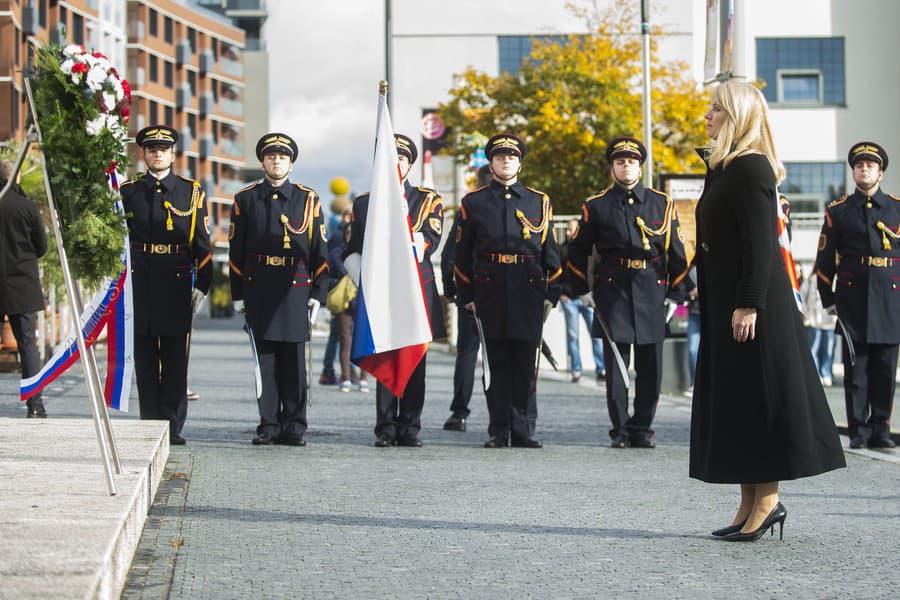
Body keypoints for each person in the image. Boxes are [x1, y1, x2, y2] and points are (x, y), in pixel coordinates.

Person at [690, 80, 845, 542]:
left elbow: (762, 245)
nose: (707, 117)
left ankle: (768, 503)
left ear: (736, 116)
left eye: (716, 110)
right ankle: (747, 504)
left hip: (752, 307)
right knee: (739, 403)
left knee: (761, 400)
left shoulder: (753, 168)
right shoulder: (724, 168)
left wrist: (748, 303)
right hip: (726, 304)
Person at [567, 136, 688, 449]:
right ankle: (620, 429)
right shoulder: (596, 206)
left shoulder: (662, 203)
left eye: (631, 162)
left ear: (640, 166)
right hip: (613, 289)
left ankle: (642, 428)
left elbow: (676, 251)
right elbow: (578, 250)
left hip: (652, 287)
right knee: (617, 367)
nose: (626, 167)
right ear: (612, 168)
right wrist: (582, 289)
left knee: (650, 367)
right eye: (620, 162)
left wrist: (677, 293)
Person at [454, 133, 562, 448]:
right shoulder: (473, 202)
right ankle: (499, 429)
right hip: (490, 290)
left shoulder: (537, 201)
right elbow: (463, 254)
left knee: (526, 364)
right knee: (497, 363)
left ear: (519, 162)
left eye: (511, 157)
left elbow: (550, 252)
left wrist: (551, 293)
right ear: (491, 162)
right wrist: (468, 296)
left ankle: (524, 428)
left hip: (527, 290)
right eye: (500, 157)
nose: (506, 161)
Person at [343, 134, 444, 447]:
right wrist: (366, 281)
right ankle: (385, 427)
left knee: (414, 362)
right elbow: (351, 250)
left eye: (401, 158)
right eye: (390, 157)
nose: (395, 163)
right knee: (386, 356)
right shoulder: (363, 203)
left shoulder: (428, 200)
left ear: (410, 163)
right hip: (382, 293)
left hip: (416, 290)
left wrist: (406, 232)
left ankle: (410, 426)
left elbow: (429, 241)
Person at [229, 132, 329, 446]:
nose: (276, 161)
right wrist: (237, 294)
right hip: (259, 289)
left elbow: (319, 251)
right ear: (262, 161)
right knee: (266, 363)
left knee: (294, 364)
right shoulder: (245, 199)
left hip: (295, 289)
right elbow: (236, 251)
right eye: (271, 156)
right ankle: (269, 425)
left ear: (290, 162)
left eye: (282, 157)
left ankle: (295, 426)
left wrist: (318, 294)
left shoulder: (307, 199)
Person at [120, 126, 212, 445]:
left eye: (164, 148)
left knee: (174, 359)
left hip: (176, 281)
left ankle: (172, 425)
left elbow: (202, 241)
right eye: (152, 148)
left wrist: (205, 282)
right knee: (145, 358)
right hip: (141, 282)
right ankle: (149, 423)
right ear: (143, 154)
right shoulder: (129, 191)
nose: (158, 153)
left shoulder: (191, 191)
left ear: (173, 154)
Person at [815, 141, 900, 450]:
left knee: (885, 370)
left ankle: (881, 429)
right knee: (856, 369)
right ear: (853, 171)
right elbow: (824, 260)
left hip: (891, 299)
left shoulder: (896, 208)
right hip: (853, 300)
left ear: (881, 172)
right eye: (859, 165)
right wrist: (829, 298)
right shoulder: (839, 211)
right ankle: (858, 432)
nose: (864, 169)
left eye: (870, 165)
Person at [439, 163, 492, 432]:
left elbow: (451, 254)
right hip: (498, 293)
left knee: (467, 355)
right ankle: (499, 414)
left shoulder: (468, 208)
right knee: (496, 356)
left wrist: (450, 290)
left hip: (469, 292)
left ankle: (459, 412)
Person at [0, 159, 48, 418]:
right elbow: (41, 246)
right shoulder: (28, 207)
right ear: (16, 178)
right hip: (22, 283)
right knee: (28, 344)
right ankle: (35, 404)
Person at [558, 218, 605, 383]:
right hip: (570, 299)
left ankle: (601, 368)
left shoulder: (587, 248)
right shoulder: (562, 249)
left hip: (588, 297)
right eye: (567, 229)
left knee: (596, 335)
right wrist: (560, 295)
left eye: (571, 229)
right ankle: (576, 370)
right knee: (573, 336)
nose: (568, 232)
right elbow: (558, 273)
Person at [800, 268, 836, 387]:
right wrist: (805, 314)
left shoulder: (834, 279)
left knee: (828, 350)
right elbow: (802, 297)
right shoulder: (810, 280)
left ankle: (826, 373)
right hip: (813, 320)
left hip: (829, 321)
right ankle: (815, 375)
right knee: (813, 348)